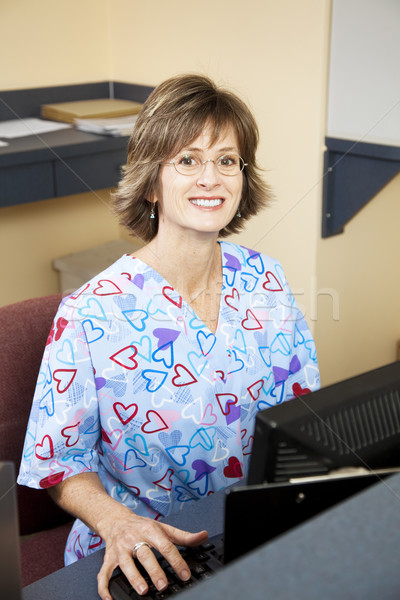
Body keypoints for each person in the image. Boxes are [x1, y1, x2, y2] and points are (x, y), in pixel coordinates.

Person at [18, 74, 320, 599]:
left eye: (227, 161)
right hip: (140, 548)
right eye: (188, 160)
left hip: (247, 530)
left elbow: (303, 416)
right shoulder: (90, 312)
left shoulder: (265, 279)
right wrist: (116, 523)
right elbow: (60, 463)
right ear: (152, 182)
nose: (211, 177)